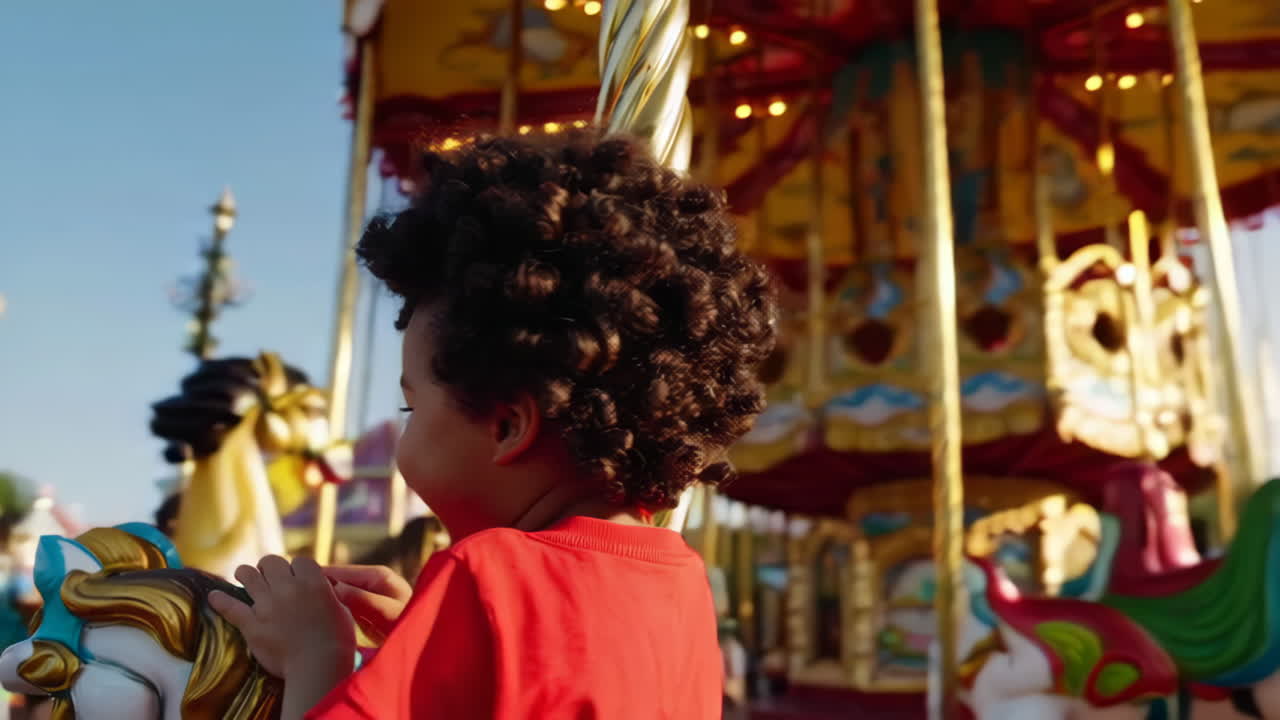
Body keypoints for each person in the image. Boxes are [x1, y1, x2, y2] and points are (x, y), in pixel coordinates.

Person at [208, 130, 777, 719]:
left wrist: (315, 658)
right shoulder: (682, 580)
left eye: (411, 409)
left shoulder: (486, 574)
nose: (404, 430)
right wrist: (427, 641)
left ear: (507, 425)